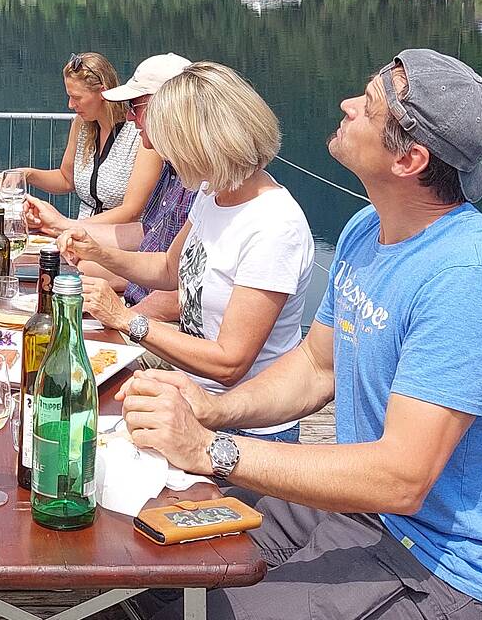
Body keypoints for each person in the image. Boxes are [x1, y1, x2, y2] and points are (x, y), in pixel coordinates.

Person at [121, 50, 482, 620]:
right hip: (361, 511)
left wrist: (208, 449)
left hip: (446, 566)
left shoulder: (468, 281)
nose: (347, 105)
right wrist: (211, 410)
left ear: (410, 159)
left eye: (368, 107)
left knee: (205, 613)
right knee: (152, 568)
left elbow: (402, 478)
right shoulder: (366, 230)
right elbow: (317, 366)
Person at [54, 62, 315, 442]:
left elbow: (229, 362)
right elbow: (168, 267)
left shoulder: (274, 226)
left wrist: (127, 319)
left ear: (199, 141)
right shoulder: (214, 193)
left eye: (167, 143)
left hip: (246, 431)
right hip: (189, 400)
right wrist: (96, 251)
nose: (158, 153)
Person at [23, 53, 197, 323]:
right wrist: (67, 229)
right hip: (135, 296)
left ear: (167, 109)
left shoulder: (203, 183)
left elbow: (176, 291)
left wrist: (120, 319)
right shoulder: (179, 172)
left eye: (135, 107)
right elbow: (150, 237)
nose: (130, 117)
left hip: (153, 317)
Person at [0, 51, 162, 223]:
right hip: (77, 235)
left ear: (102, 92)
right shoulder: (81, 124)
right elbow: (66, 179)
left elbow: (131, 211)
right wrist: (26, 174)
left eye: (76, 97)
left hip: (118, 241)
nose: (70, 105)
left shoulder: (143, 134)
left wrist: (66, 225)